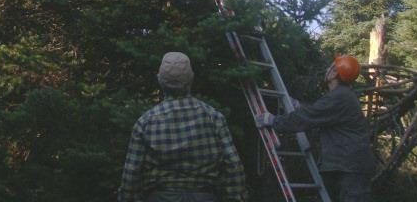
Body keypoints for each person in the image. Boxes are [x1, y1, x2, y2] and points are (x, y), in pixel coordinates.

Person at [118, 52, 247, 202]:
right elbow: (233, 165)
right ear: (191, 79)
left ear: (159, 80)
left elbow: (131, 172)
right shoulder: (214, 117)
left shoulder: (146, 122)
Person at [255, 55, 376, 202]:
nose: (327, 69)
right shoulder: (342, 96)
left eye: (331, 67)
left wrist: (274, 120)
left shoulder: (339, 97)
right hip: (349, 165)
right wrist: (300, 106)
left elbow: (309, 117)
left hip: (350, 167)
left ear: (335, 74)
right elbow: (320, 113)